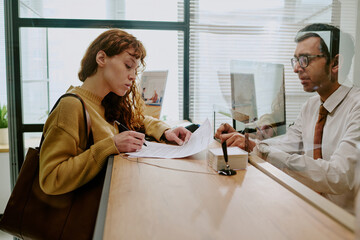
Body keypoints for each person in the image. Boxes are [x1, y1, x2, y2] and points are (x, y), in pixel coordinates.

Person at [215, 23, 360, 214]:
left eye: (305, 60)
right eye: (296, 60)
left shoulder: (356, 107)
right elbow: (286, 145)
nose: (296, 69)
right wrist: (246, 140)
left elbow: (338, 177)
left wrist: (260, 149)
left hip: (342, 222)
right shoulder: (311, 106)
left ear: (335, 64)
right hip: (309, 208)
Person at [39, 29, 191, 195]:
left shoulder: (106, 102)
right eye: (128, 66)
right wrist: (111, 145)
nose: (133, 76)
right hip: (89, 213)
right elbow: (50, 179)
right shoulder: (71, 106)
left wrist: (166, 131)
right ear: (101, 58)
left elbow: (140, 120)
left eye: (135, 70)